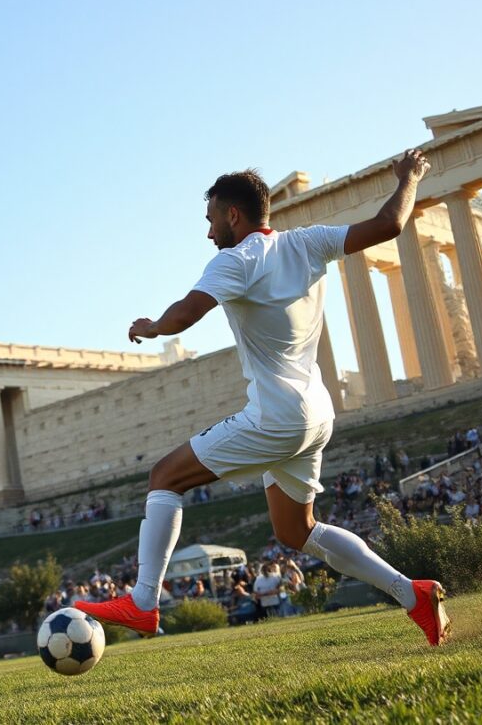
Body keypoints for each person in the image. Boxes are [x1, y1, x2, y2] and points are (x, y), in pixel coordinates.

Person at [74, 152, 450, 647]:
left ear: (234, 215)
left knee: (164, 477)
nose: (208, 233)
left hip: (277, 416)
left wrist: (152, 327)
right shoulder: (309, 241)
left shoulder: (237, 259)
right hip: (317, 410)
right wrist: (409, 178)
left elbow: (187, 313)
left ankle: (143, 603)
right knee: (297, 531)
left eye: (211, 221)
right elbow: (389, 223)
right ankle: (414, 595)